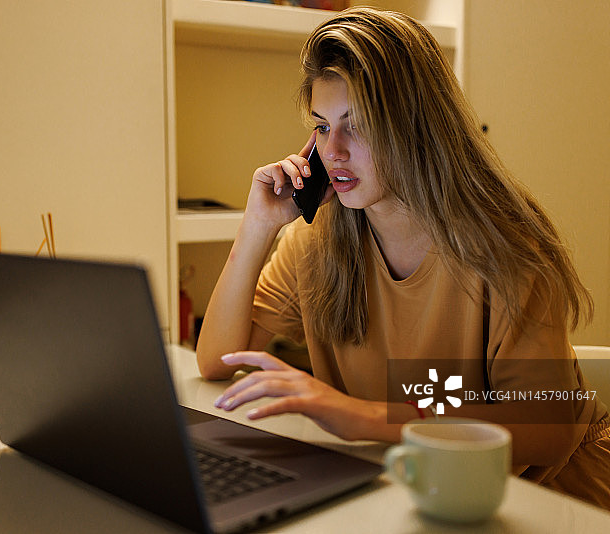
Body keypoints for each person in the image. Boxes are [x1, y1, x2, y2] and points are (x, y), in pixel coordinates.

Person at [195, 7, 610, 509]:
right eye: (322, 127)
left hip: (546, 495)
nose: (335, 151)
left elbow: (547, 432)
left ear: (418, 127)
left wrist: (362, 415)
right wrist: (257, 226)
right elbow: (216, 360)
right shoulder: (318, 239)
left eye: (359, 125)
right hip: (411, 484)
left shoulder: (506, 250)